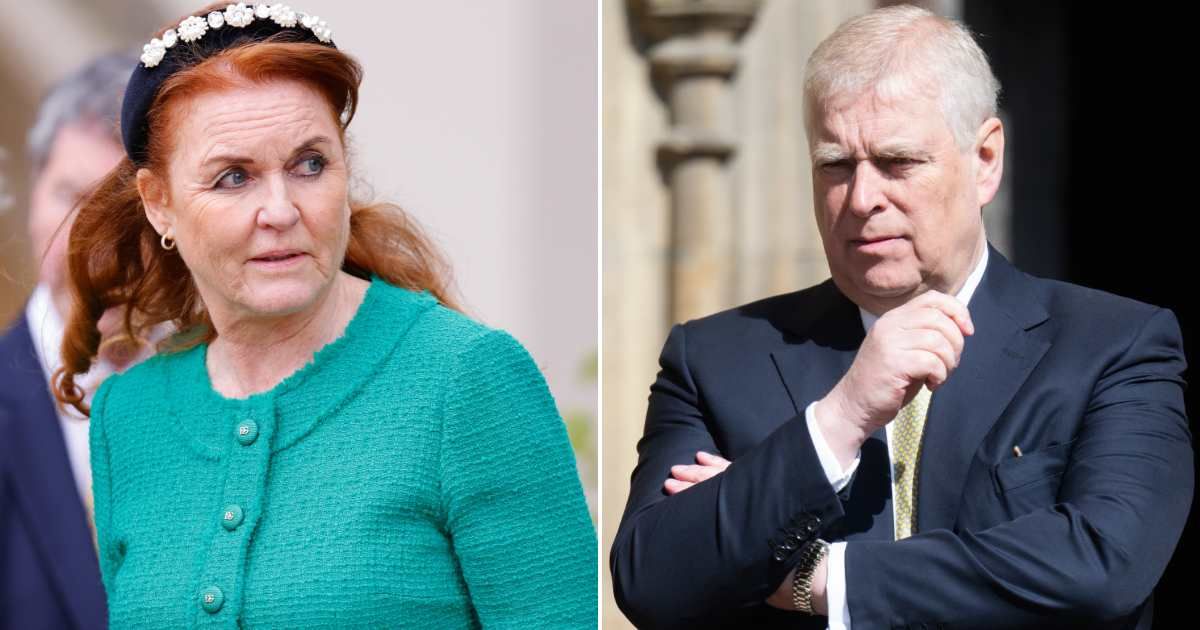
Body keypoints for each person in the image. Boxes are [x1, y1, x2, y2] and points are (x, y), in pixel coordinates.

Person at [610, 5, 1191, 629]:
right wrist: (840, 418)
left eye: (898, 163)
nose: (862, 200)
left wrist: (822, 576)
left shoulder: (1113, 346)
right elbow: (651, 580)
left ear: (986, 160)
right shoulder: (716, 359)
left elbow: (1101, 565)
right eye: (835, 164)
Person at [55, 3, 596, 627]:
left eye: (310, 164)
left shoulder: (466, 379)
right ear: (159, 204)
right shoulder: (130, 416)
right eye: (234, 177)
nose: (281, 210)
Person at [0, 53, 141, 630]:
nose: (97, 248)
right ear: (32, 196)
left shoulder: (234, 392)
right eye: (73, 198)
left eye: (126, 212)